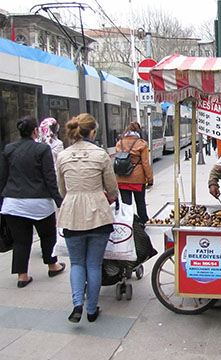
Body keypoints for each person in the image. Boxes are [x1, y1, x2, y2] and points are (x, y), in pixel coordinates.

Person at [56, 113, 119, 323]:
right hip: (98, 215)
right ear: (92, 131)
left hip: (72, 214)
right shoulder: (101, 155)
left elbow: (61, 189)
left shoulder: (63, 156)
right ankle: (92, 309)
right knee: (93, 264)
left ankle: (77, 304)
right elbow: (112, 188)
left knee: (76, 263)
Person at [0, 116, 65, 288]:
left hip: (13, 203)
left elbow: (3, 178)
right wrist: (60, 201)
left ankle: (22, 276)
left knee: (21, 241)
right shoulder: (42, 150)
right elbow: (50, 178)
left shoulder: (8, 149)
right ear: (35, 131)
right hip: (39, 203)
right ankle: (52, 265)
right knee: (47, 235)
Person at [115, 122, 153, 225]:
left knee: (126, 204)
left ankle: (128, 223)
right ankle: (143, 221)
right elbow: (145, 163)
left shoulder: (119, 143)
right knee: (140, 202)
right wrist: (149, 178)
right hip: (137, 178)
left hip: (122, 177)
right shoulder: (141, 143)